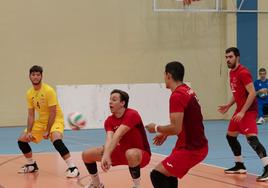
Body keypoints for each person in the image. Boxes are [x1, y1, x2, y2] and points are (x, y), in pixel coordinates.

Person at [146, 61, 208, 188]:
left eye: (164, 75)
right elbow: (184, 121)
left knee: (157, 175)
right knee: (170, 174)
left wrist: (156, 128)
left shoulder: (177, 96)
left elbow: (176, 128)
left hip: (191, 149)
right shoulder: (187, 90)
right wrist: (165, 133)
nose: (164, 78)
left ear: (169, 75)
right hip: (193, 145)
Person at [17, 65, 79, 178]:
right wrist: (29, 131)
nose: (35, 77)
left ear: (41, 76)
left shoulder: (48, 90)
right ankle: (31, 165)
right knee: (22, 139)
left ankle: (73, 167)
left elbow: (53, 113)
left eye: (38, 75)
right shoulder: (29, 93)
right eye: (33, 75)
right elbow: (31, 115)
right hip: (41, 121)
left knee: (56, 139)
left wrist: (47, 130)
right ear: (29, 77)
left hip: (55, 119)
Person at [82, 89, 151, 188]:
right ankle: (97, 184)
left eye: (114, 99)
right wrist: (106, 155)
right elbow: (110, 138)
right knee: (87, 155)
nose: (110, 102)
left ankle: (137, 185)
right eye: (110, 99)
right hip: (120, 152)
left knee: (130, 153)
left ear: (122, 103)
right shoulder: (109, 121)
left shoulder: (132, 114)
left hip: (140, 155)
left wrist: (106, 155)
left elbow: (118, 134)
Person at [218, 47, 268, 181]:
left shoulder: (243, 72)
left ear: (237, 57)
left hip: (249, 110)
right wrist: (228, 105)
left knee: (251, 139)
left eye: (230, 57)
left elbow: (252, 93)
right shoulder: (231, 73)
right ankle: (239, 165)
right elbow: (238, 93)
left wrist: (243, 111)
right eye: (226, 57)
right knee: (230, 136)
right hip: (240, 109)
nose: (228, 59)